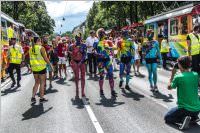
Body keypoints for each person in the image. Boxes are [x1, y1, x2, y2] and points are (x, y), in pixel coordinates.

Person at [165, 56, 200, 130]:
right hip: (197, 108)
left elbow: (169, 87)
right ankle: (193, 117)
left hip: (185, 109)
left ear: (180, 65)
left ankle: (183, 119)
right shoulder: (196, 75)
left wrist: (172, 74)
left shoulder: (179, 77)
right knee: (191, 109)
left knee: (167, 117)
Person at [95, 28, 117, 98]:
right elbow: (93, 51)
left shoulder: (108, 41)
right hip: (100, 61)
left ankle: (112, 90)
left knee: (110, 74)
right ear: (98, 34)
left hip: (107, 59)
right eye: (100, 33)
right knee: (101, 76)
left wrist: (109, 48)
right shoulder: (96, 42)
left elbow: (115, 47)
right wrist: (97, 54)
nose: (102, 34)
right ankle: (101, 90)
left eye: (103, 33)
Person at [29, 37, 53, 103]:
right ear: (39, 40)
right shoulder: (41, 48)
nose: (41, 42)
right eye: (40, 40)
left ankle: (33, 97)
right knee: (42, 83)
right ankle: (41, 98)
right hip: (41, 68)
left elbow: (30, 59)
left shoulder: (30, 48)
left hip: (34, 68)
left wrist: (30, 67)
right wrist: (51, 66)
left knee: (36, 83)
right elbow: (45, 58)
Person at [70, 33, 87, 98]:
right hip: (75, 62)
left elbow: (85, 54)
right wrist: (72, 61)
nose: (78, 38)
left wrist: (81, 61)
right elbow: (72, 55)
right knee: (76, 77)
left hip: (82, 62)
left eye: (79, 37)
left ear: (81, 38)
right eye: (76, 37)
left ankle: (82, 91)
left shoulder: (84, 45)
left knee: (83, 77)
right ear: (75, 38)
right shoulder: (73, 46)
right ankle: (77, 89)